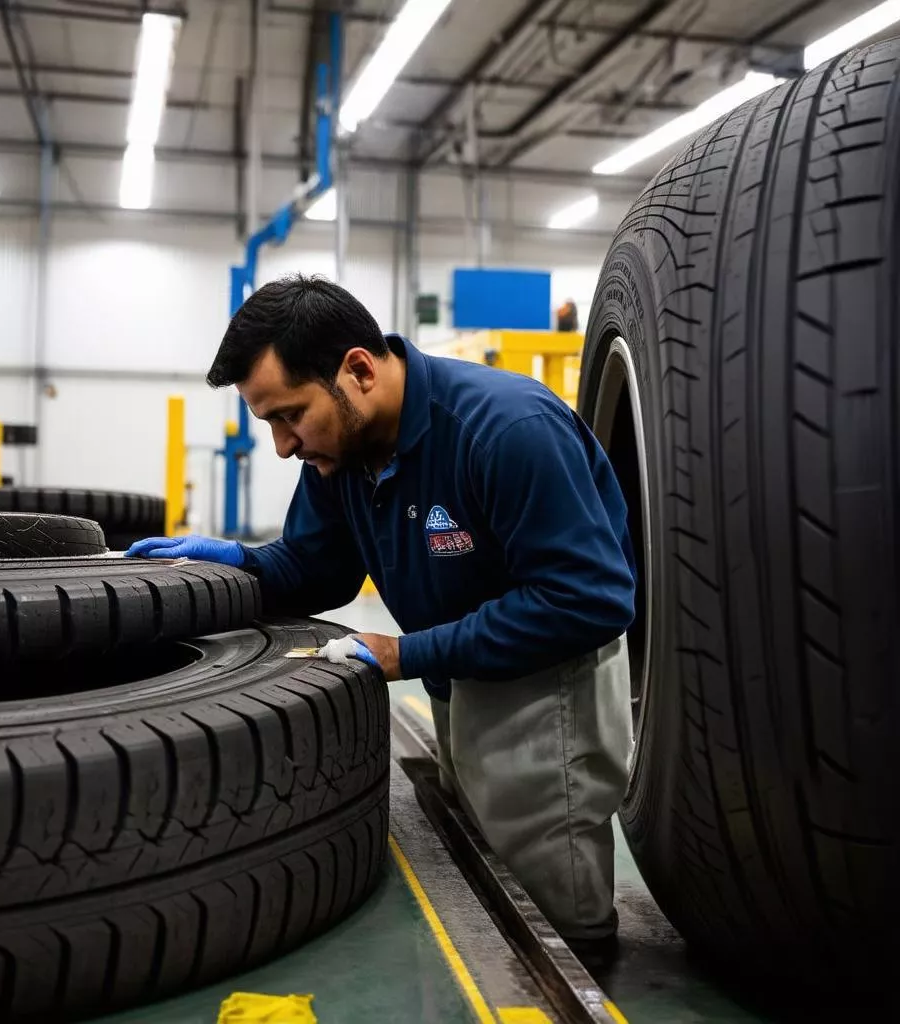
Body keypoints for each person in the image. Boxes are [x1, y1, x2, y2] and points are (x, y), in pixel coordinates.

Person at [127, 274, 636, 965]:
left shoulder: (506, 430)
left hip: (548, 695)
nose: (282, 445)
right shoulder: (343, 455)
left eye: (289, 415)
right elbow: (318, 572)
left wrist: (409, 654)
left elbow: (589, 599)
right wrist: (236, 564)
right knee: (500, 898)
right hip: (460, 677)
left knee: (556, 918)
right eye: (269, 422)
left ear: (357, 371)